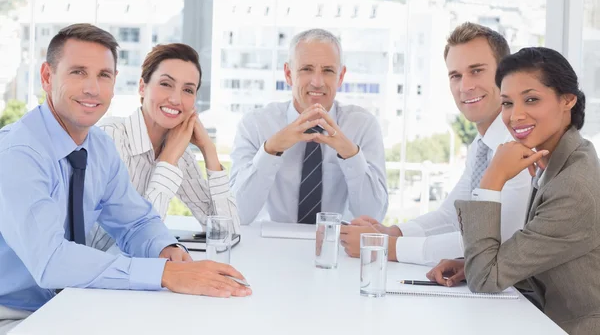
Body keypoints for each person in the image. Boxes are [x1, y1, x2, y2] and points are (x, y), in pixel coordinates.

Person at [0, 24, 250, 335]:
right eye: (78, 72)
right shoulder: (18, 153)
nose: (93, 88)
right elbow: (51, 260)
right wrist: (164, 274)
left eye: (104, 75)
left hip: (73, 303)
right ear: (47, 77)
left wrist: (165, 249)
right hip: (14, 314)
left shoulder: (98, 147)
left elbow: (135, 221)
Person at [427, 47, 600, 335]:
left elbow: (486, 278)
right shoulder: (557, 158)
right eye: (507, 103)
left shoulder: (573, 186)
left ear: (567, 99)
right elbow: (536, 257)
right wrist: (467, 263)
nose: (515, 116)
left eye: (531, 100)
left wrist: (493, 177)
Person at [340, 22, 531, 265]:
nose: (465, 86)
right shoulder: (482, 146)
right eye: (456, 76)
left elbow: (493, 240)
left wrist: (386, 246)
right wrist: (392, 232)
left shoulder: (518, 145)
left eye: (476, 71)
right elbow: (451, 217)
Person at [87, 43, 240, 252]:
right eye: (166, 84)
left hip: (128, 277)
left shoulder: (179, 151)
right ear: (142, 87)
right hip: (85, 277)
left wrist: (209, 150)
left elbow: (227, 232)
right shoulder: (111, 136)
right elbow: (138, 240)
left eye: (187, 90)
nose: (176, 99)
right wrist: (167, 160)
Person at [230, 28, 388, 225]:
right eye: (306, 69)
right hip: (268, 246)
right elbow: (237, 215)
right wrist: (270, 150)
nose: (317, 82)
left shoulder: (363, 126)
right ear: (288, 74)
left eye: (328, 71)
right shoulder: (255, 125)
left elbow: (374, 216)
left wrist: (350, 154)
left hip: (337, 248)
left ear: (340, 76)